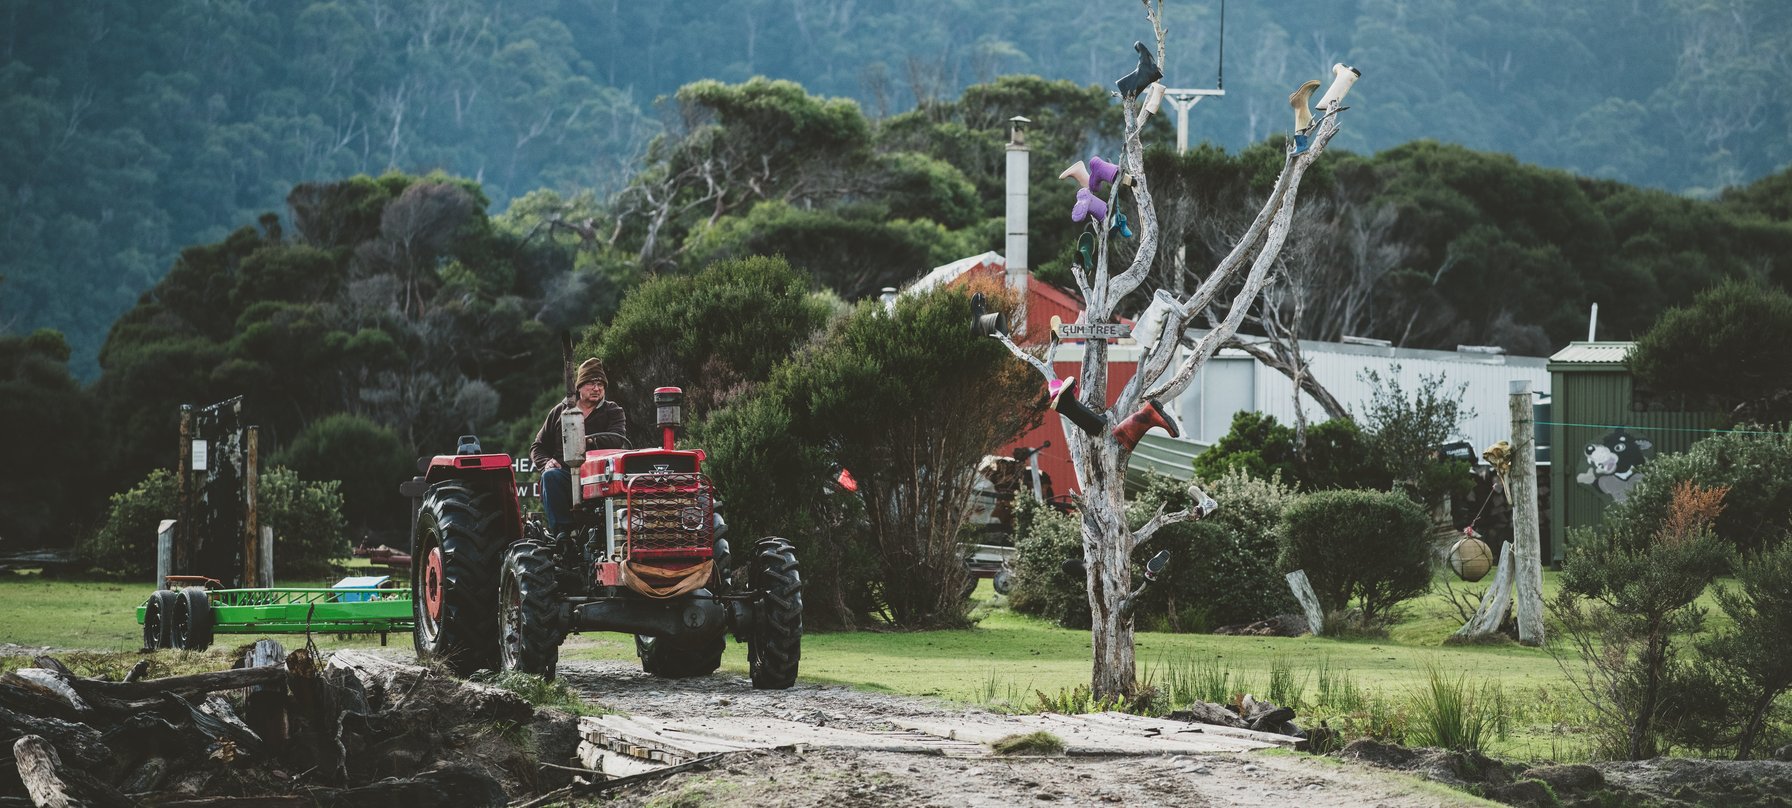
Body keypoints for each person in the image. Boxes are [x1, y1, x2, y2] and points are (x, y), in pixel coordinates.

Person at [531, 358, 628, 535]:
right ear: (579, 386)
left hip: (599, 476)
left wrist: (588, 441)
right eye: (591, 383)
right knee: (550, 476)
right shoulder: (560, 412)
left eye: (600, 384)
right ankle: (564, 535)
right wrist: (546, 462)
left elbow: (617, 439)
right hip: (566, 475)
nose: (597, 388)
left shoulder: (613, 411)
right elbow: (538, 446)